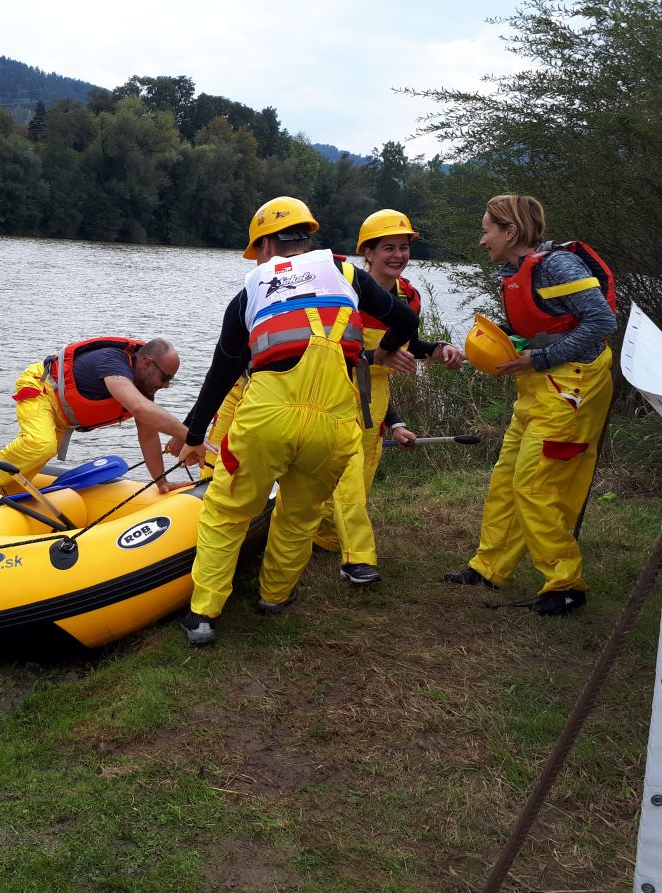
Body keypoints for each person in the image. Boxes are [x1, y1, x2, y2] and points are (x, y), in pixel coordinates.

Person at [172, 196, 421, 646]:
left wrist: (193, 433)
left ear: (266, 244)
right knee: (300, 515)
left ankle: (203, 614)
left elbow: (222, 370)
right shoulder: (347, 274)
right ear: (307, 237)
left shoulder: (251, 290)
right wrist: (384, 351)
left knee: (227, 512)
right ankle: (274, 598)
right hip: (333, 422)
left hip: (266, 417)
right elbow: (404, 317)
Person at [445, 194, 617, 615]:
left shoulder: (558, 266)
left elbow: (601, 324)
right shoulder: (514, 270)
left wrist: (537, 358)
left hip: (572, 388)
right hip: (537, 387)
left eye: (487, 230)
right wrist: (487, 349)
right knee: (507, 477)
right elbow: (544, 325)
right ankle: (489, 567)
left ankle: (565, 583)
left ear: (511, 232)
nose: (483, 239)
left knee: (535, 484)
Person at [312, 210, 465, 584]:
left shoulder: (407, 297)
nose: (397, 255)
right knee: (347, 479)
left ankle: (323, 540)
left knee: (357, 484)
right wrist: (375, 357)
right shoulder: (343, 291)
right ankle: (359, 559)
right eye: (388, 248)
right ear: (368, 251)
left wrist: (439, 350)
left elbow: (409, 345)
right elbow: (323, 353)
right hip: (335, 395)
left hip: (374, 403)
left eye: (403, 247)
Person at [0, 338, 191, 506]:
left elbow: (148, 436)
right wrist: (190, 435)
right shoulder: (113, 362)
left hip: (60, 416)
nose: (167, 385)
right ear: (148, 364)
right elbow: (140, 408)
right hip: (42, 389)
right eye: (166, 377)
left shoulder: (144, 389)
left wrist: (162, 482)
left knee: (19, 477)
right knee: (42, 444)